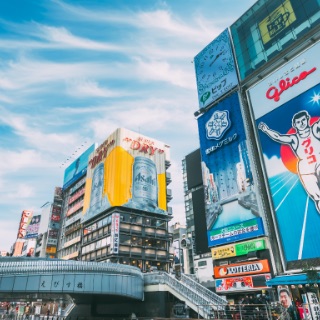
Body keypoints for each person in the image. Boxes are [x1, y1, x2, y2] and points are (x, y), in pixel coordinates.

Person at [259, 110, 320, 213]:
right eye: (298, 122)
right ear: (294, 125)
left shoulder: (315, 129)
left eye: (303, 120)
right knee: (317, 197)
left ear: (308, 119)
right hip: (305, 170)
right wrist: (266, 130)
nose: (302, 123)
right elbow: (278, 137)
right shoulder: (294, 138)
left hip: (318, 162)